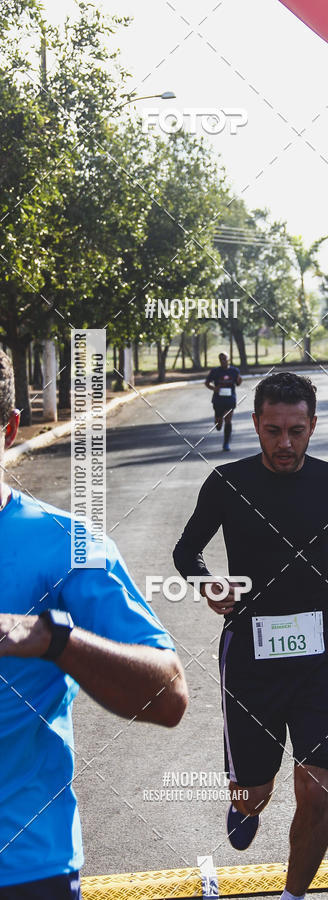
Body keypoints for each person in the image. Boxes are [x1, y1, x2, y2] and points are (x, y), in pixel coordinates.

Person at [173, 372, 328, 900]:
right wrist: (209, 583)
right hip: (249, 653)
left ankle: (293, 896)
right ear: (255, 424)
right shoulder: (227, 482)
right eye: (273, 430)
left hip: (318, 654)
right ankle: (244, 803)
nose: (285, 443)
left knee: (314, 792)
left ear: (312, 425)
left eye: (296, 430)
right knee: (256, 792)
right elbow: (187, 551)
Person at [0, 351, 189, 899]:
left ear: (10, 430)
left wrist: (55, 640)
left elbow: (169, 697)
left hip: (24, 869)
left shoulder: (69, 545)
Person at [205, 352, 242, 451]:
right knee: (219, 425)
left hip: (230, 399)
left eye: (225, 359)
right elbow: (207, 383)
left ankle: (226, 443)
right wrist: (214, 388)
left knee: (228, 420)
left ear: (228, 359)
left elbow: (238, 383)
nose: (223, 361)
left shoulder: (234, 371)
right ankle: (218, 421)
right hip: (218, 400)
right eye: (221, 359)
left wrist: (239, 380)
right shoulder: (215, 371)